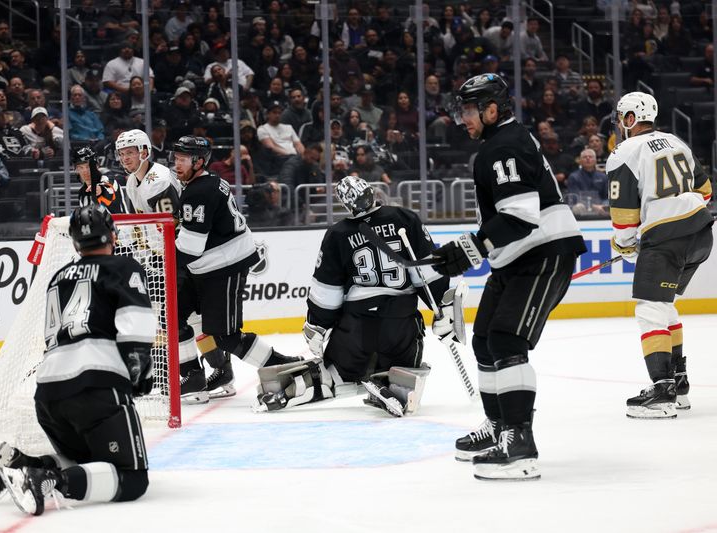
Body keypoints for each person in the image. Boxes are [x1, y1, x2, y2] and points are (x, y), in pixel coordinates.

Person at [431, 74, 585, 481]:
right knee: (484, 340)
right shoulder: (501, 143)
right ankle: (499, 427)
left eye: (468, 110)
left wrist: (465, 251)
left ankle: (519, 444)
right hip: (517, 258)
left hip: (542, 252)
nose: (462, 118)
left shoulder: (503, 146)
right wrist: (467, 251)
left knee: (506, 339)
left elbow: (519, 216)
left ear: (492, 109)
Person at [0, 205, 154, 516]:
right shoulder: (123, 267)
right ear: (112, 235)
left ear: (75, 243)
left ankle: (24, 463)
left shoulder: (59, 276)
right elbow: (135, 328)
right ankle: (48, 478)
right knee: (132, 479)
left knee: (90, 465)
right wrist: (139, 377)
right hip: (96, 385)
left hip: (48, 394)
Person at [253, 176, 459, 417]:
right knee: (405, 368)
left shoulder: (337, 234)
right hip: (400, 323)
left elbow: (327, 292)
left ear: (346, 205)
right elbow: (428, 272)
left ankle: (301, 387)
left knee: (334, 371)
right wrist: (443, 308)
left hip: (356, 327)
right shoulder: (405, 218)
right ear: (372, 193)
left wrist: (317, 325)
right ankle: (393, 386)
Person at [606, 92, 713, 419]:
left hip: (667, 238)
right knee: (664, 305)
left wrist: (625, 244)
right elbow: (706, 191)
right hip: (700, 233)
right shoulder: (676, 141)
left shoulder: (623, 151)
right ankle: (678, 384)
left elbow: (624, 217)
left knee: (650, 309)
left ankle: (663, 389)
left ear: (629, 120)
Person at [171, 136, 301, 402]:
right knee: (175, 313)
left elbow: (190, 248)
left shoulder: (198, 192)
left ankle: (283, 365)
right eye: (176, 158)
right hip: (208, 266)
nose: (177, 164)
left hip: (224, 267)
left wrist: (159, 262)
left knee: (226, 337)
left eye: (183, 159)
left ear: (198, 162)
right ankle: (193, 376)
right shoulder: (206, 181)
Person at [116, 128, 180, 215]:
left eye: (129, 152)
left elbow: (170, 223)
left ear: (144, 153)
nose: (124, 158)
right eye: (121, 154)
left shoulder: (160, 181)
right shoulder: (131, 181)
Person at [74, 146, 127, 213]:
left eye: (88, 166)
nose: (85, 171)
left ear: (97, 166)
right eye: (81, 167)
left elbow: (108, 189)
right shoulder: (82, 193)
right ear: (76, 170)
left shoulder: (110, 181)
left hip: (120, 222)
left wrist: (101, 190)